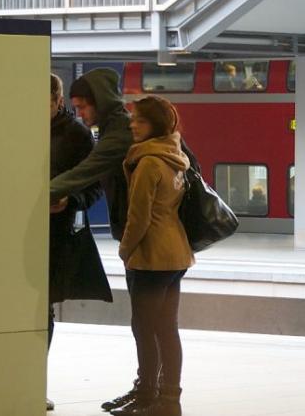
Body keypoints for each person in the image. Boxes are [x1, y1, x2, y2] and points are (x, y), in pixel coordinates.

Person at [110, 96, 194, 416]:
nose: (132, 124)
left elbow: (139, 217)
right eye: (132, 118)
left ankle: (147, 397)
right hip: (176, 254)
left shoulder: (147, 162)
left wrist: (124, 249)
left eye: (140, 120)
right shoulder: (175, 155)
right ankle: (169, 400)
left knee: (144, 328)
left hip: (151, 256)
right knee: (166, 328)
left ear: (155, 125)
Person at [47, 74, 113, 411]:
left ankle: (33, 379)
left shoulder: (76, 135)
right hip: (12, 234)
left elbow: (95, 186)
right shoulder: (11, 124)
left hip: (54, 236)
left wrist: (69, 200)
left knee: (41, 310)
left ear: (56, 100)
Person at [50, 68, 133, 241]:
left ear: (101, 102)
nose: (79, 113)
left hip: (146, 235)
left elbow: (83, 174)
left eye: (82, 107)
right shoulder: (114, 128)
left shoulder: (119, 134)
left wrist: (36, 196)